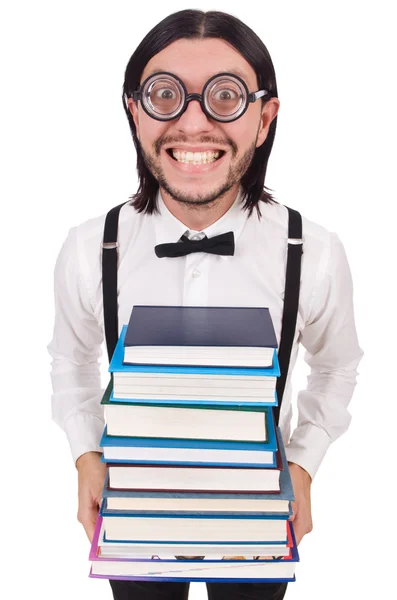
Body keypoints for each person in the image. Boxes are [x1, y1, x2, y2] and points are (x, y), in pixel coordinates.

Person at [48, 8, 363, 600]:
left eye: (225, 96)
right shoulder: (90, 248)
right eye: (165, 94)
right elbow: (69, 359)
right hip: (133, 510)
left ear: (265, 118)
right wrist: (86, 455)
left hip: (259, 515)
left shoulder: (313, 252)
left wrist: (302, 465)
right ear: (134, 111)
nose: (193, 124)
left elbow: (338, 364)